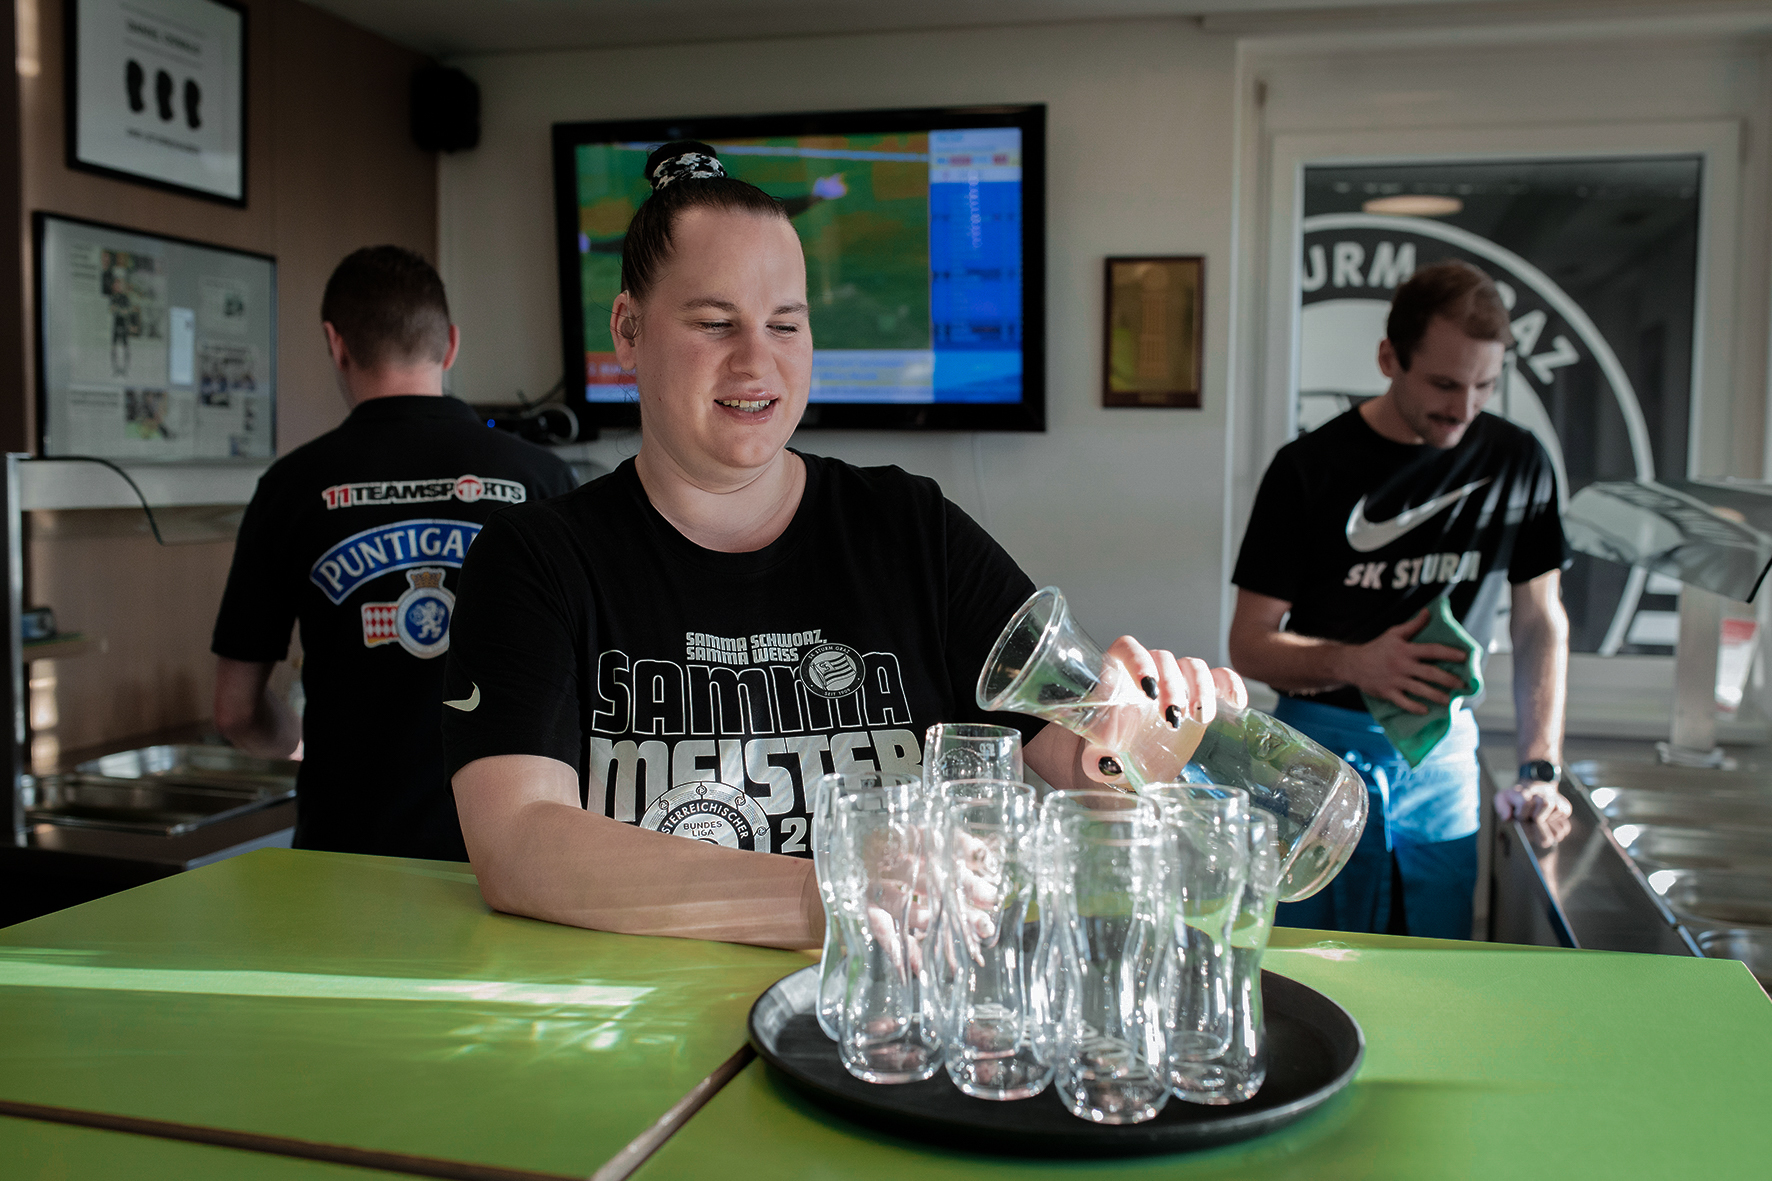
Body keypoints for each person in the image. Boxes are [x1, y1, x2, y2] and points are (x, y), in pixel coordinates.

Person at [442, 142, 1244, 949]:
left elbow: (1075, 752)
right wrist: (823, 894)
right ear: (628, 328)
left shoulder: (908, 527)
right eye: (715, 323)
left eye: (785, 324)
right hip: (634, 1032)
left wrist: (1143, 735)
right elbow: (518, 843)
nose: (757, 361)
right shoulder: (537, 558)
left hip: (888, 1028)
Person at [1228, 260, 1572, 941]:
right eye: (1444, 383)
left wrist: (1539, 766)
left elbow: (1541, 620)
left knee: (1436, 961)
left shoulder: (1518, 460)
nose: (1464, 407)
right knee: (1313, 961)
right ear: (1390, 358)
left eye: (1485, 386)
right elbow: (1249, 643)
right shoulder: (1308, 468)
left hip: (1442, 756)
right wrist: (1358, 664)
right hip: (1315, 755)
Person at [211, 246, 577, 861]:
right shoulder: (543, 481)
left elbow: (233, 711)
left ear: (335, 342)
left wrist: (296, 741)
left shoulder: (292, 487)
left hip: (349, 854)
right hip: (514, 855)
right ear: (451, 344)